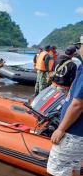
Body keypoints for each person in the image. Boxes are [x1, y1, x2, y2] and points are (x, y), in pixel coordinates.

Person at [47, 36, 83, 176]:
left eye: (80, 46)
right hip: (78, 132)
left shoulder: (59, 60)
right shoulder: (74, 65)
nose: (79, 49)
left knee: (58, 171)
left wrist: (61, 129)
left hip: (73, 132)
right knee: (73, 169)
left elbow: (78, 104)